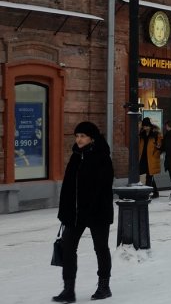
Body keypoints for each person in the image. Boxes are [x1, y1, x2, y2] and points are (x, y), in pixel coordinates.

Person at [53, 121, 114, 302]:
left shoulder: (102, 157)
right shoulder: (75, 156)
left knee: (100, 248)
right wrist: (65, 212)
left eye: (83, 136)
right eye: (77, 136)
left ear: (91, 138)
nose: (79, 140)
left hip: (97, 213)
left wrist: (92, 207)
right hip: (76, 214)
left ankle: (104, 286)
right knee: (69, 248)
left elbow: (103, 187)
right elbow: (68, 187)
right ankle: (68, 289)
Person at [138, 117, 163, 198]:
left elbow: (160, 146)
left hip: (151, 158)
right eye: (144, 126)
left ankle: (147, 194)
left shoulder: (156, 134)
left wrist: (156, 153)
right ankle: (155, 192)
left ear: (149, 126)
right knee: (144, 174)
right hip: (143, 157)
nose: (145, 128)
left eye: (146, 126)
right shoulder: (142, 134)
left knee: (149, 176)